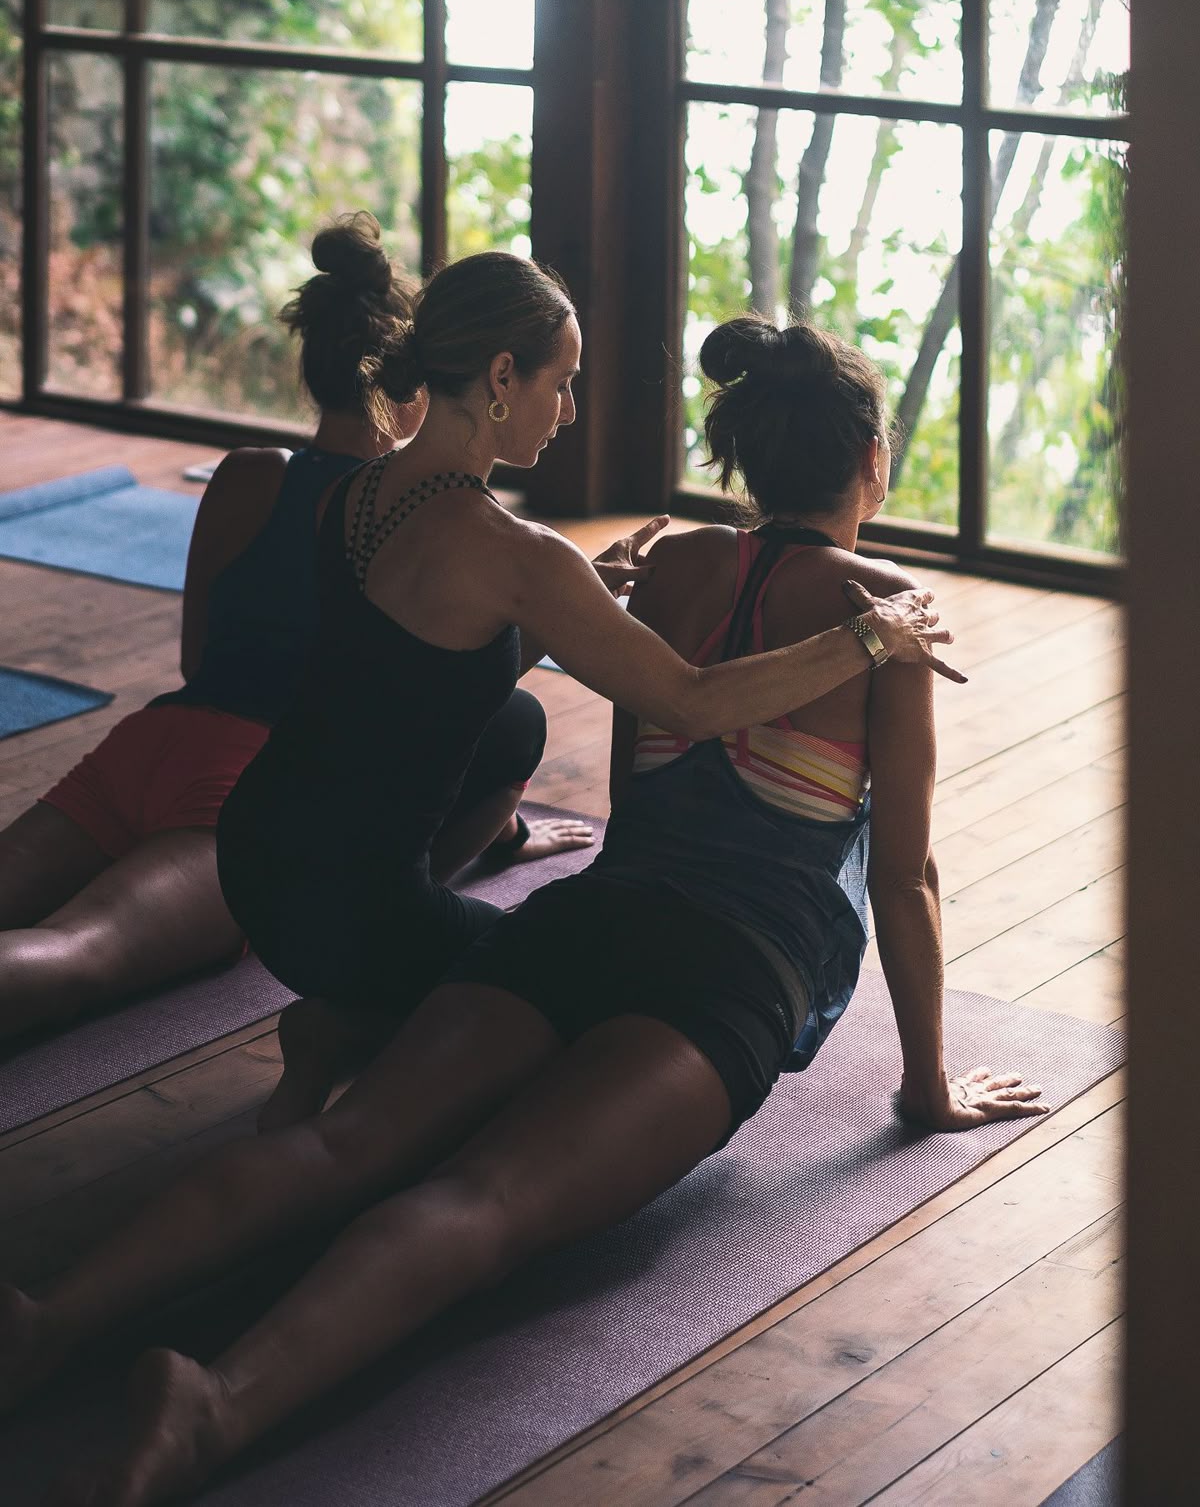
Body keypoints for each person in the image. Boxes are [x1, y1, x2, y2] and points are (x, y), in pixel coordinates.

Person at [0, 299, 994, 1507]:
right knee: (481, 1202)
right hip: (730, 971)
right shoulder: (884, 613)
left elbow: (640, 753)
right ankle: (212, 1408)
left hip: (586, 916)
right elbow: (902, 874)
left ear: (741, 458)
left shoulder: (669, 561)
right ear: (872, 466)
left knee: (343, 1143)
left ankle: (52, 1319)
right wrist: (928, 1084)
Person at [0, 216, 586, 1044]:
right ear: (420, 381)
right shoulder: (420, 514)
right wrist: (506, 825)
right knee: (75, 952)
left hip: (149, 740)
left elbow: (196, 656)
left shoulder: (246, 476)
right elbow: (423, 706)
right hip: (243, 783)